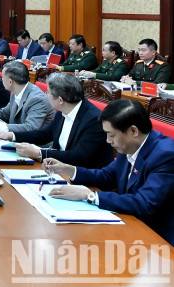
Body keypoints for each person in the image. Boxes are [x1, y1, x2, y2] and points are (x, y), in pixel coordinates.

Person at [44, 99, 174, 246]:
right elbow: (107, 175)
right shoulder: (130, 145)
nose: (108, 141)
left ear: (133, 131)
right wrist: (68, 169)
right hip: (132, 225)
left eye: (111, 135)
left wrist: (89, 195)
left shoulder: (165, 155)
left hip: (159, 238)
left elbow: (144, 203)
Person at [0, 72, 113, 167]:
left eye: (48, 93)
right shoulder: (63, 111)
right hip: (58, 168)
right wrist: (12, 136)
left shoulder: (93, 120)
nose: (46, 96)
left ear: (60, 100)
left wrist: (38, 153)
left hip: (84, 177)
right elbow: (44, 134)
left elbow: (79, 156)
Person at [0, 61, 54, 133]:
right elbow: (4, 113)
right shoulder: (17, 91)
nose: (1, 80)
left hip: (34, 146)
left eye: (2, 78)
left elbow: (30, 128)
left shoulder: (36, 99)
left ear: (10, 81)